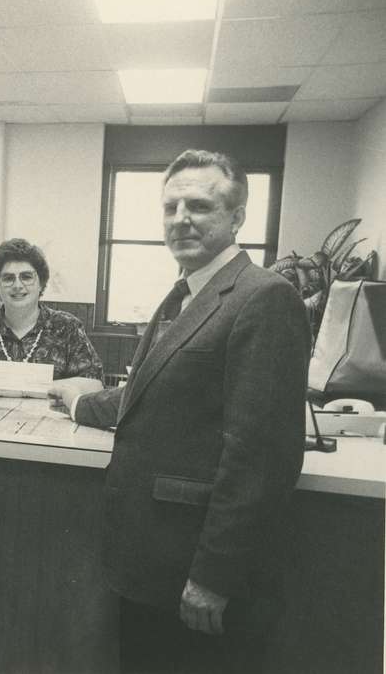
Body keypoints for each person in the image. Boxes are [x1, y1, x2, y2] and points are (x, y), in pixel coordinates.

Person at [50, 150, 310, 674]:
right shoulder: (186, 293)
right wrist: (73, 399)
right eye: (171, 207)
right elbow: (149, 396)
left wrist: (215, 575)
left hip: (195, 572)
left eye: (199, 205)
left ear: (237, 217)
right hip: (150, 565)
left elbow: (261, 456)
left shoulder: (264, 298)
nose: (180, 219)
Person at [0, 238, 104, 404]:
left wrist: (39, 387)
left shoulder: (67, 327)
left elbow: (95, 384)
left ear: (41, 284)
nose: (17, 285)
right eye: (8, 278)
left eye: (26, 277)